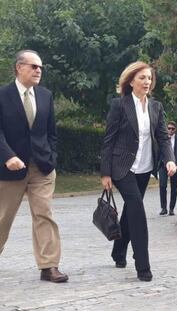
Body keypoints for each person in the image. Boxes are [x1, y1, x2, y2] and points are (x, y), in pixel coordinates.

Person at [101, 61, 176, 282]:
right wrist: (105, 173)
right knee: (137, 209)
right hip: (122, 167)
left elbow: (163, 137)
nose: (147, 82)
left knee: (130, 211)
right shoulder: (119, 105)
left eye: (150, 78)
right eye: (142, 77)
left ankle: (118, 250)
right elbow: (108, 140)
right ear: (131, 80)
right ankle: (142, 265)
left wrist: (170, 160)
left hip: (145, 168)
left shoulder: (156, 107)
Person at [0, 50, 68, 283]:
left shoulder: (45, 95)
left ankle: (49, 266)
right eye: (33, 66)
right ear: (19, 68)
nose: (39, 70)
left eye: (40, 67)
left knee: (44, 215)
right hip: (8, 170)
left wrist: (51, 157)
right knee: (2, 218)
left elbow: (51, 133)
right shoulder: (2, 95)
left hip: (42, 168)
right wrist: (7, 156)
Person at [159, 121, 177, 216]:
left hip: (175, 166)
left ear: (175, 129)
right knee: (162, 186)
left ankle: (171, 208)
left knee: (174, 187)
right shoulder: (162, 138)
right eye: (169, 128)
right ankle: (163, 208)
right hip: (163, 165)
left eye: (172, 128)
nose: (170, 130)